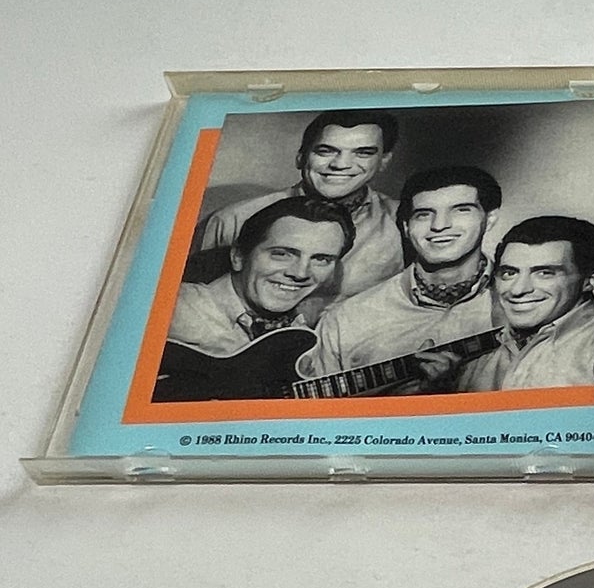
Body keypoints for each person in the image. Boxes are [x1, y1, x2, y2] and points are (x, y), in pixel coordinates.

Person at [303, 165, 502, 390]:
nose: (439, 225)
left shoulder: (522, 304)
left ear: (490, 218)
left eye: (460, 210)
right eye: (424, 214)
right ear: (407, 227)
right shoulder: (345, 320)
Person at [195, 111, 402, 308]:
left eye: (362, 153)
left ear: (384, 161)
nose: (341, 164)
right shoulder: (233, 219)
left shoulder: (403, 222)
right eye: (325, 151)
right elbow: (196, 299)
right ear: (301, 157)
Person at [167, 197, 355, 358]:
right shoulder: (172, 309)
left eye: (321, 259)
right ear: (238, 256)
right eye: (281, 254)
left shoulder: (306, 340)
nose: (300, 273)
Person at [457, 216, 594, 392]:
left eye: (544, 273)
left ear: (590, 280)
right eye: (509, 273)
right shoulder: (472, 355)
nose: (518, 290)